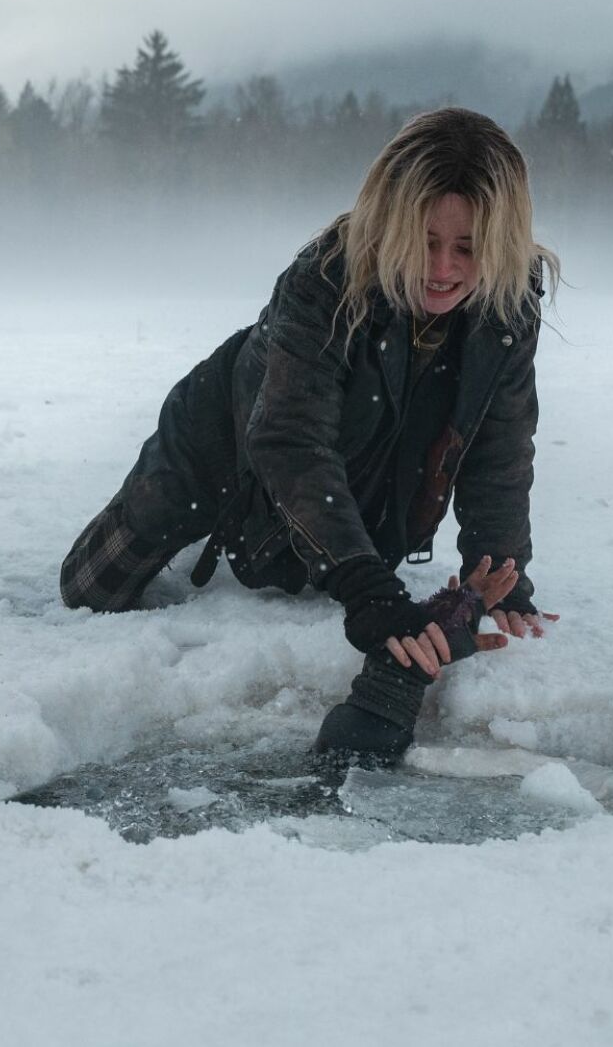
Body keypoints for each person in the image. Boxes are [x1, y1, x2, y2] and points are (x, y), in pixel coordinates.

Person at [59, 107, 557, 762]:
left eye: (465, 247)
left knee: (343, 548)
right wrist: (368, 589)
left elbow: (500, 440)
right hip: (220, 445)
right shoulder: (326, 277)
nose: (441, 267)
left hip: (366, 468)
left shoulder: (508, 298)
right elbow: (291, 436)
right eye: (424, 239)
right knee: (89, 588)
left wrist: (501, 568)